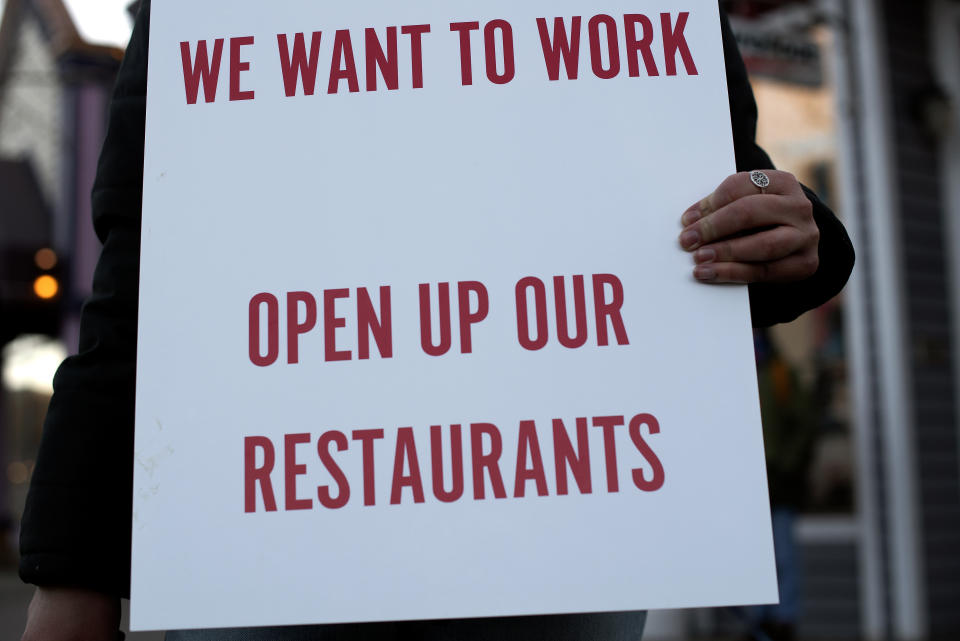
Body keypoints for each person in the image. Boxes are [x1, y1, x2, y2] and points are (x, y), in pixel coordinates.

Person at [18, 2, 854, 640]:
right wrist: (70, 581)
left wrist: (796, 232)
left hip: (556, 570)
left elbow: (719, 204)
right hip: (275, 576)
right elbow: (140, 295)